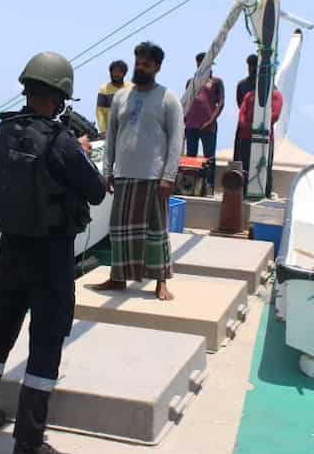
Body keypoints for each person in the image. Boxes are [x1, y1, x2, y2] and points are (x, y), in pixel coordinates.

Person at [0, 52, 105, 454]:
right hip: (52, 258)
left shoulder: (2, 133)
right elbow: (95, 192)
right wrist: (80, 151)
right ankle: (29, 446)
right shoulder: (61, 142)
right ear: (61, 95)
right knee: (45, 345)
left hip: (13, 253)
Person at [90, 41, 183, 301]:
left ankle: (161, 282)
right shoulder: (121, 96)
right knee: (119, 230)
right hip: (123, 174)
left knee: (156, 232)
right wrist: (108, 170)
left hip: (154, 177)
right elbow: (112, 137)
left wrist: (169, 176)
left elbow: (177, 139)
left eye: (146, 64)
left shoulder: (168, 98)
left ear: (157, 67)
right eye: (138, 62)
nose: (140, 67)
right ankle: (117, 278)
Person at [183, 52, 224, 188]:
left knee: (209, 157)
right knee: (190, 156)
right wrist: (184, 120)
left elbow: (221, 102)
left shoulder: (216, 82)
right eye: (199, 62)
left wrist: (211, 121)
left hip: (208, 125)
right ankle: (189, 184)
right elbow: (186, 101)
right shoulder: (191, 82)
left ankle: (209, 185)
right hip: (191, 124)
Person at [236, 87, 284, 188]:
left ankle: (266, 190)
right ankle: (243, 189)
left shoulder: (276, 95)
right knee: (245, 164)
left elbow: (275, 115)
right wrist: (247, 125)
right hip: (246, 136)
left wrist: (258, 126)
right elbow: (242, 113)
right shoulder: (250, 94)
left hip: (265, 138)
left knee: (265, 166)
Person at [96, 60, 130, 138]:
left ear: (124, 73)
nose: (116, 74)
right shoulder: (104, 90)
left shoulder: (131, 88)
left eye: (119, 71)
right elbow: (99, 111)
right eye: (114, 71)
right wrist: (103, 130)